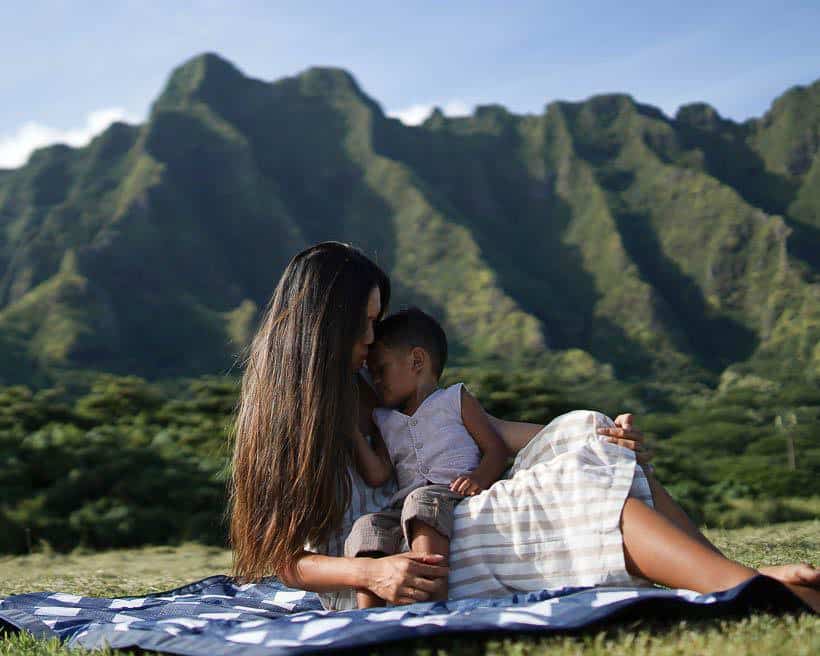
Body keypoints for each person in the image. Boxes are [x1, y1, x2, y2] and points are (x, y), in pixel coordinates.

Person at [226, 241, 820, 612]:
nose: (371, 341)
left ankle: (732, 577)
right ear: (325, 325)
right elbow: (285, 561)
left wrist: (602, 440)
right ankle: (743, 590)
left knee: (584, 430)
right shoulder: (287, 419)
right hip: (392, 565)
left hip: (439, 516)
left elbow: (491, 433)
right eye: (365, 325)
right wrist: (373, 571)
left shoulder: (365, 390)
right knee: (558, 494)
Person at [344, 307, 510, 607]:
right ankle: (366, 617)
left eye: (381, 371)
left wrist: (478, 479)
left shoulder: (455, 400)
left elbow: (496, 448)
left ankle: (430, 602)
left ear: (417, 361)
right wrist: (352, 433)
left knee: (422, 501)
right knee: (367, 525)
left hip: (451, 492)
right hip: (403, 505)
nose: (376, 382)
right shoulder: (385, 420)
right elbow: (378, 474)